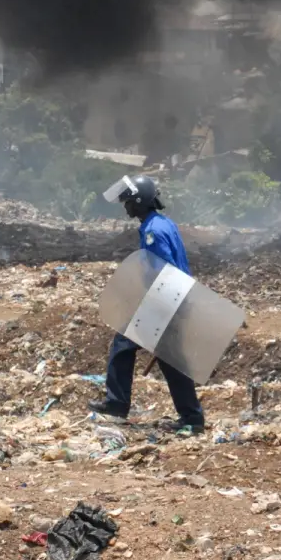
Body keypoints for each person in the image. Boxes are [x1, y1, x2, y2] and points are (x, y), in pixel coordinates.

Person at [88, 175, 205, 433]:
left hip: (165, 298)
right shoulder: (163, 223)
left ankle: (117, 404)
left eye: (128, 202)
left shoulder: (152, 231)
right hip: (174, 297)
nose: (125, 207)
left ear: (139, 201)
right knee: (171, 361)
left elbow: (165, 268)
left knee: (122, 345)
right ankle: (192, 418)